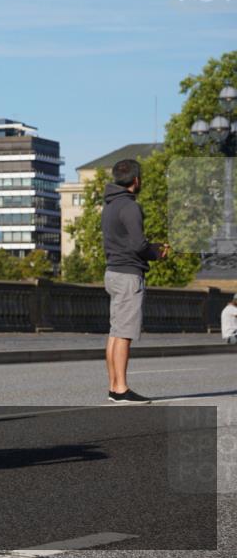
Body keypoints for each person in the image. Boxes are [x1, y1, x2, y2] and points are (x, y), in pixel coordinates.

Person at [101, 159, 169, 404]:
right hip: (129, 274)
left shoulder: (109, 205)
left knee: (115, 333)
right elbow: (138, 245)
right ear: (136, 180)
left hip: (113, 271)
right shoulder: (130, 207)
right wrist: (157, 252)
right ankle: (121, 389)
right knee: (125, 333)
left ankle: (113, 386)